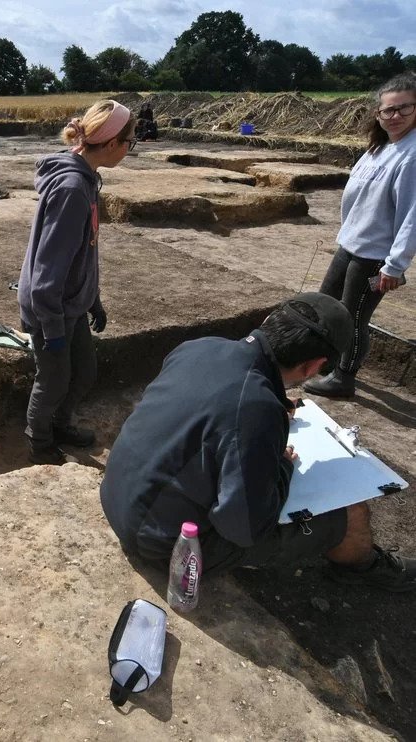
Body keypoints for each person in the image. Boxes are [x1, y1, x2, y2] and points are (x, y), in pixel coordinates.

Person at [100, 294, 416, 591]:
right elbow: (244, 529)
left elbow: (211, 405)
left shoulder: (199, 347)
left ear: (267, 321)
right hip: (168, 547)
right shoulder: (257, 407)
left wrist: (270, 408)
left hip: (120, 502)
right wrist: (283, 469)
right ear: (313, 367)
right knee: (351, 513)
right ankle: (362, 567)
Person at [18, 100, 136, 465]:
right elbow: (48, 270)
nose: (130, 148)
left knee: (83, 372)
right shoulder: (72, 188)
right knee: (53, 379)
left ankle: (60, 423)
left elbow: (82, 253)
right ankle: (39, 441)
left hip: (71, 302)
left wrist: (92, 299)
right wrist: (53, 329)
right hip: (50, 307)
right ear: (112, 143)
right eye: (130, 141)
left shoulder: (86, 178)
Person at [305, 72, 416, 398]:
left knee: (352, 317)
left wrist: (394, 265)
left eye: (404, 108)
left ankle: (343, 378)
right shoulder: (380, 148)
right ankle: (326, 360)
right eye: (388, 110)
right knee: (327, 303)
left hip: (375, 255)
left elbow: (412, 215)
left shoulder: (412, 155)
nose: (395, 116)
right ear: (377, 114)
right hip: (351, 244)